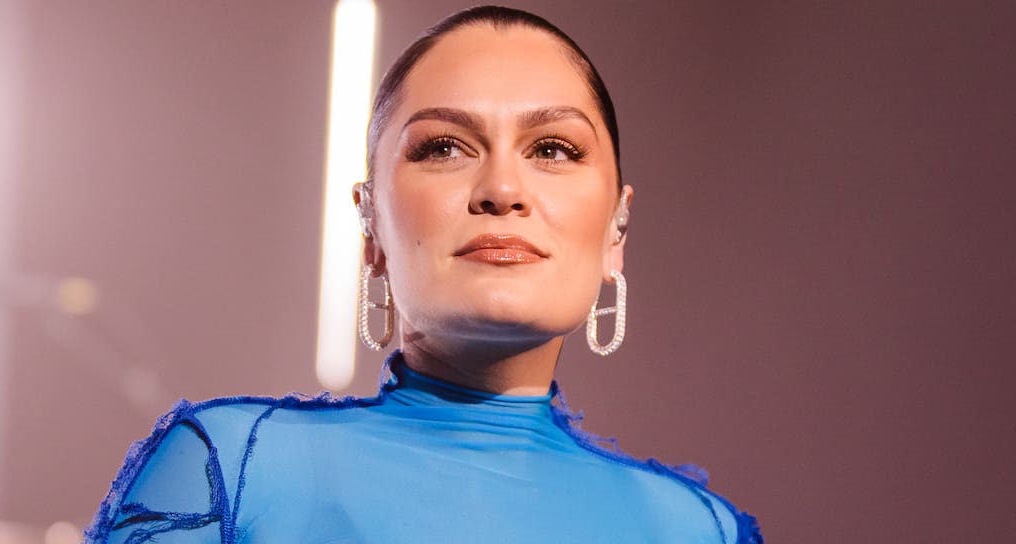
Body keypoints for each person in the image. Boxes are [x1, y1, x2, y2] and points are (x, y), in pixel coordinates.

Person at [85, 5, 762, 543]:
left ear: (617, 227)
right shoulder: (231, 474)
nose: (502, 189)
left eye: (553, 149)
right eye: (443, 148)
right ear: (370, 224)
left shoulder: (698, 530)